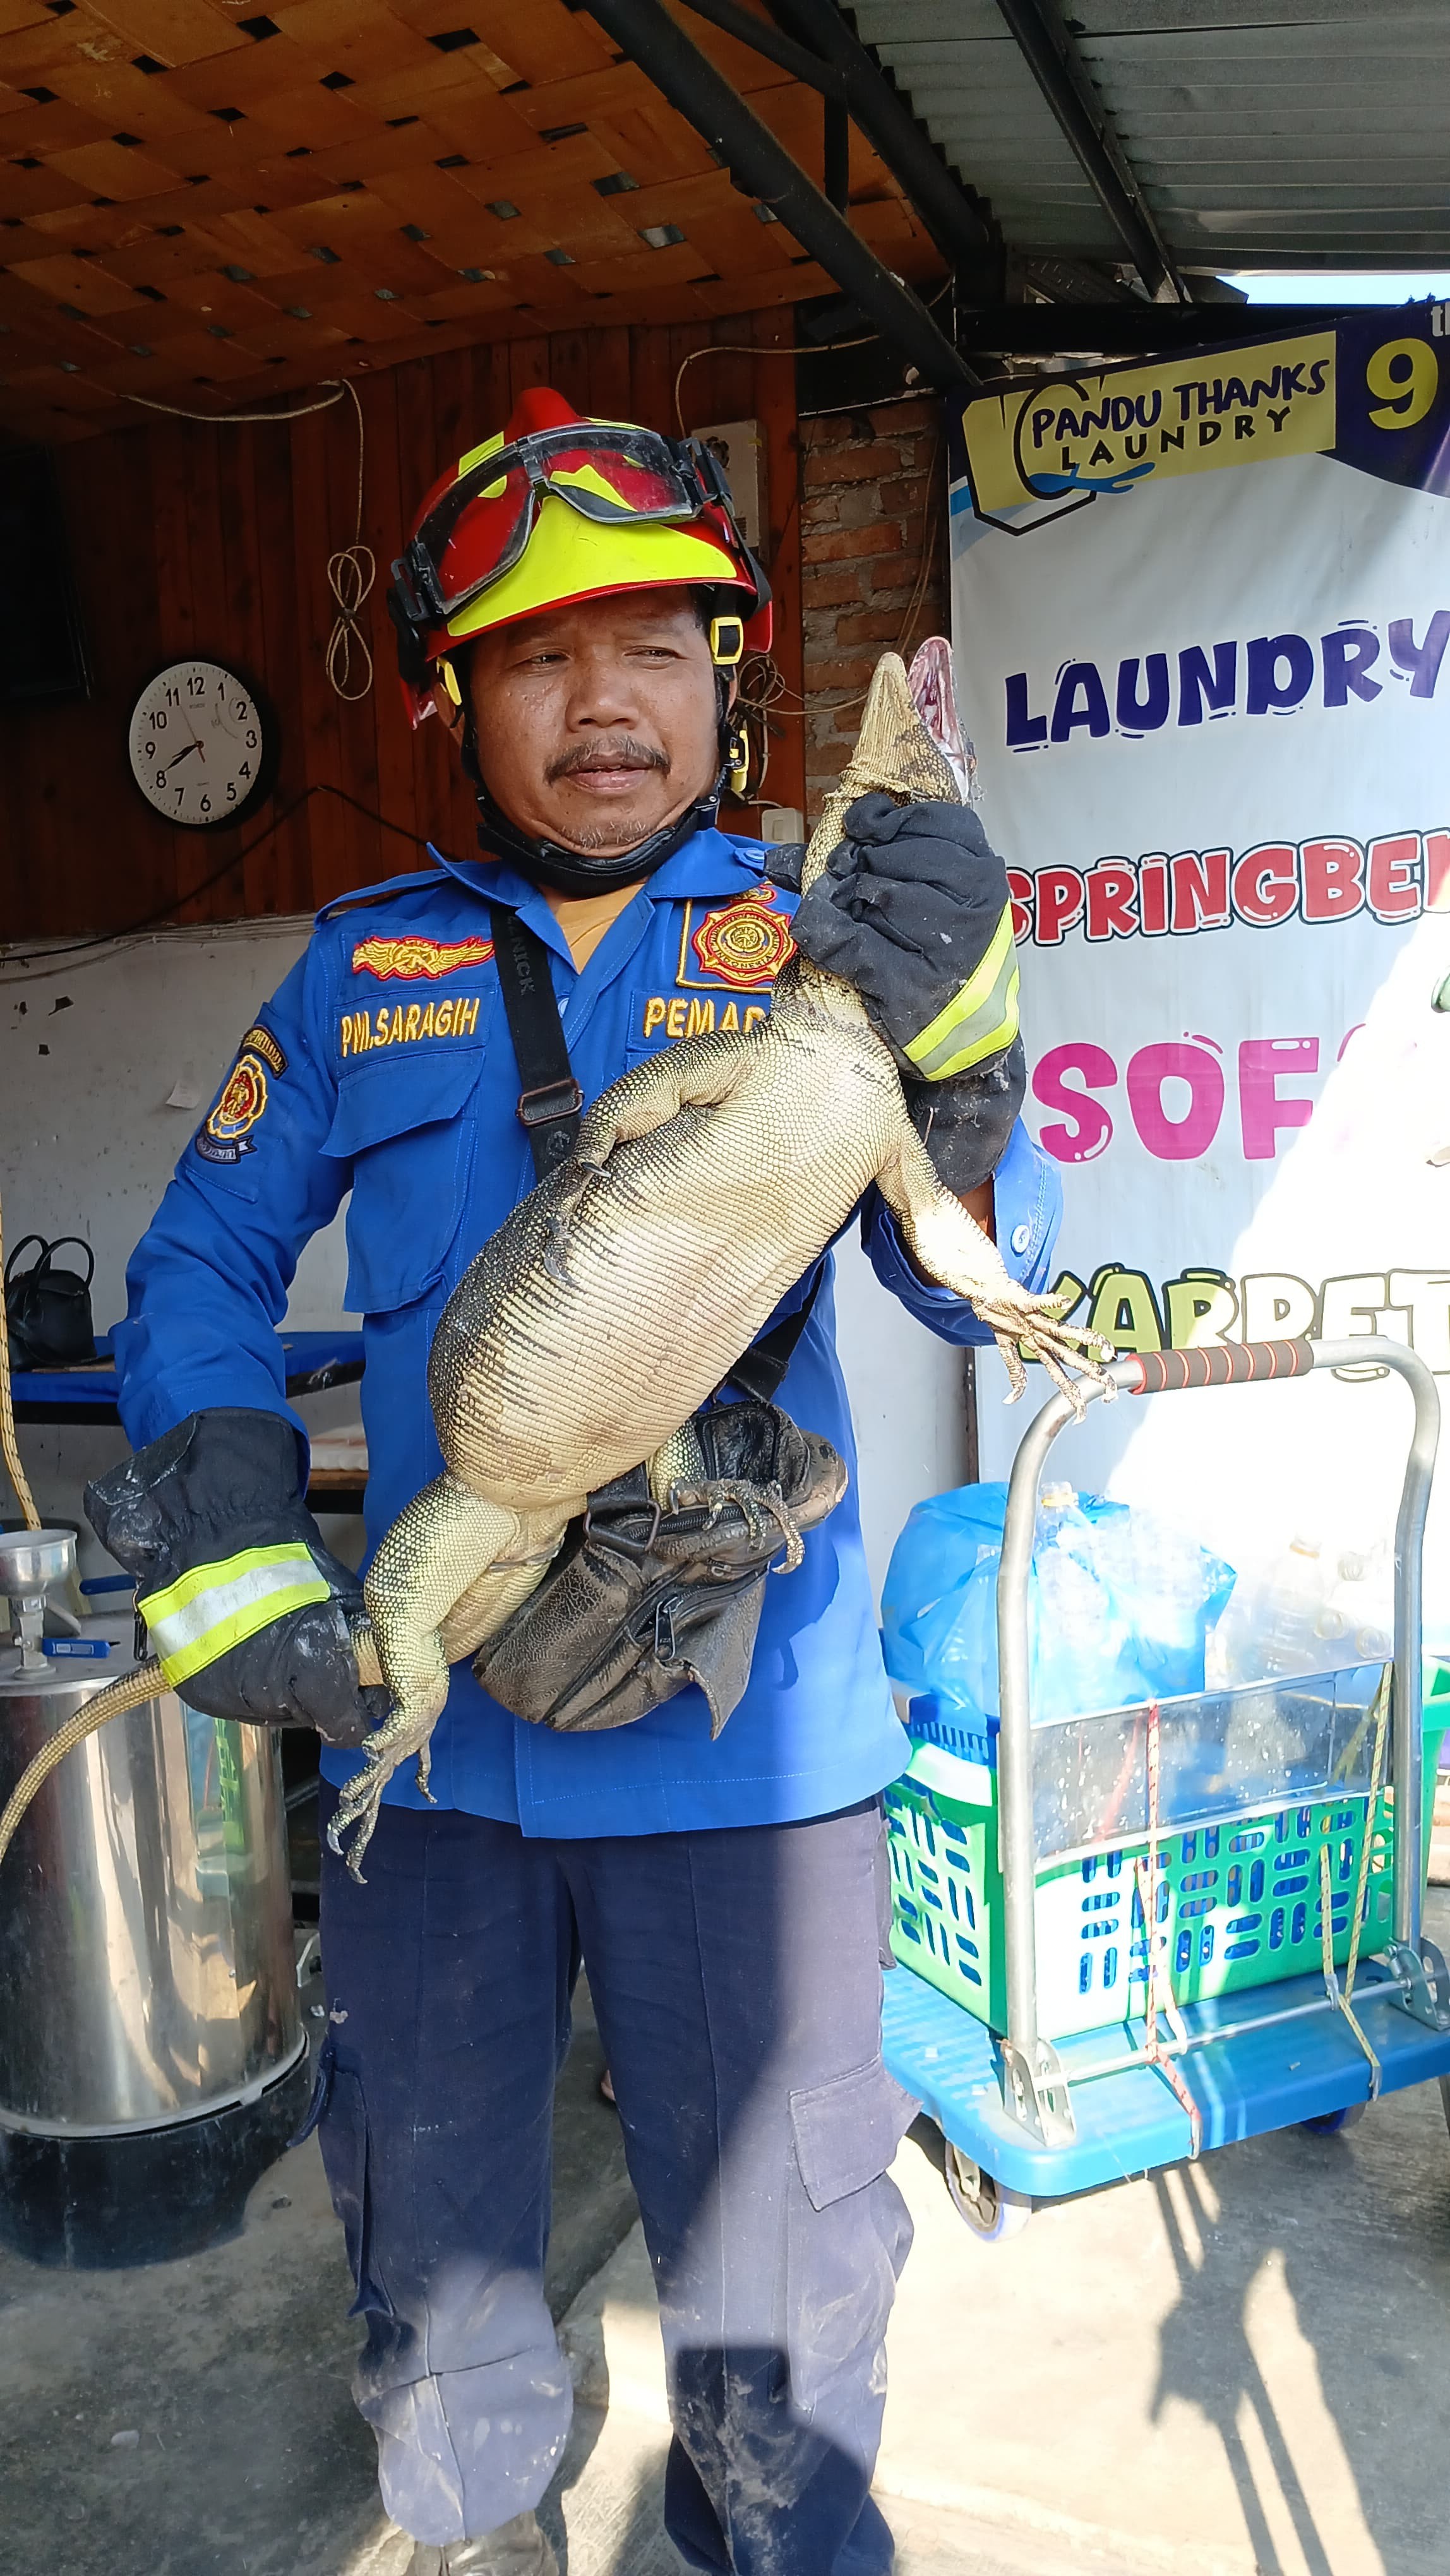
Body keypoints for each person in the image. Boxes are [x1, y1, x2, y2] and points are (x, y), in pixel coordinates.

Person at [90, 391, 1062, 2576]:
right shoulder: (357, 967)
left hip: (753, 1747)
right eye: (539, 657)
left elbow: (987, 1284)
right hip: (426, 1754)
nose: (604, 702)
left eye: (651, 646)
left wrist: (965, 1071)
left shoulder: (834, 940)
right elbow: (200, 1267)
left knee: (785, 2293)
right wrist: (236, 1531)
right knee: (432, 2259)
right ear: (458, 700)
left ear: (725, 680)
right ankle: (475, 2541)